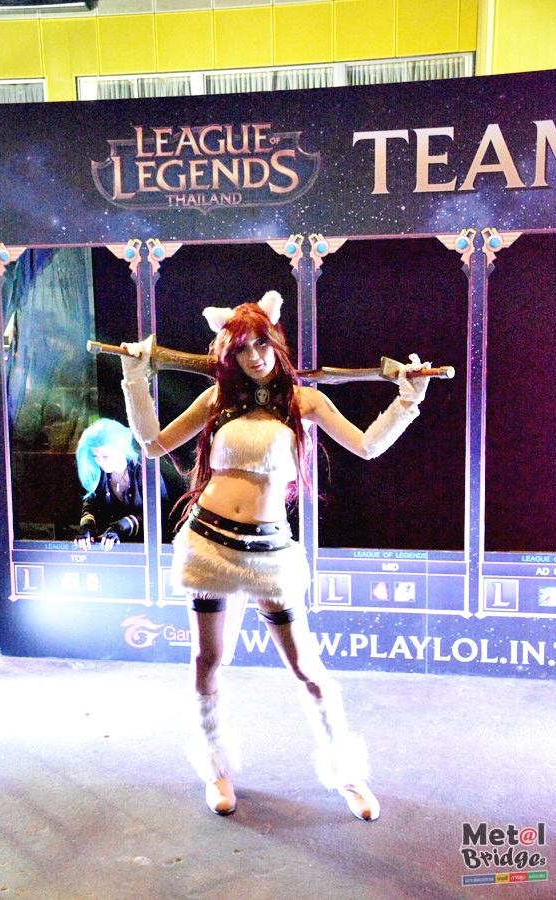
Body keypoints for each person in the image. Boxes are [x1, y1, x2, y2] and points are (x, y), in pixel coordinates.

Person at [119, 290, 430, 820]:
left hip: (270, 553)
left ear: (276, 342)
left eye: (262, 344)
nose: (255, 356)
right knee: (207, 661)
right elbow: (153, 445)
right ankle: (216, 768)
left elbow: (367, 446)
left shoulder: (303, 402)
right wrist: (134, 380)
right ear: (230, 354)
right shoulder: (217, 400)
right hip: (209, 543)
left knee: (307, 668)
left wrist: (408, 400)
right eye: (242, 348)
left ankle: (347, 773)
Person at [74, 418, 143, 551]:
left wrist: (120, 527)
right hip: (107, 547)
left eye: (106, 456)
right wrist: (86, 527)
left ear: (122, 449)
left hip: (143, 547)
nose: (100, 462)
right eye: (95, 457)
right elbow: (90, 506)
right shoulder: (98, 473)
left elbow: (159, 514)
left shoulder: (144, 470)